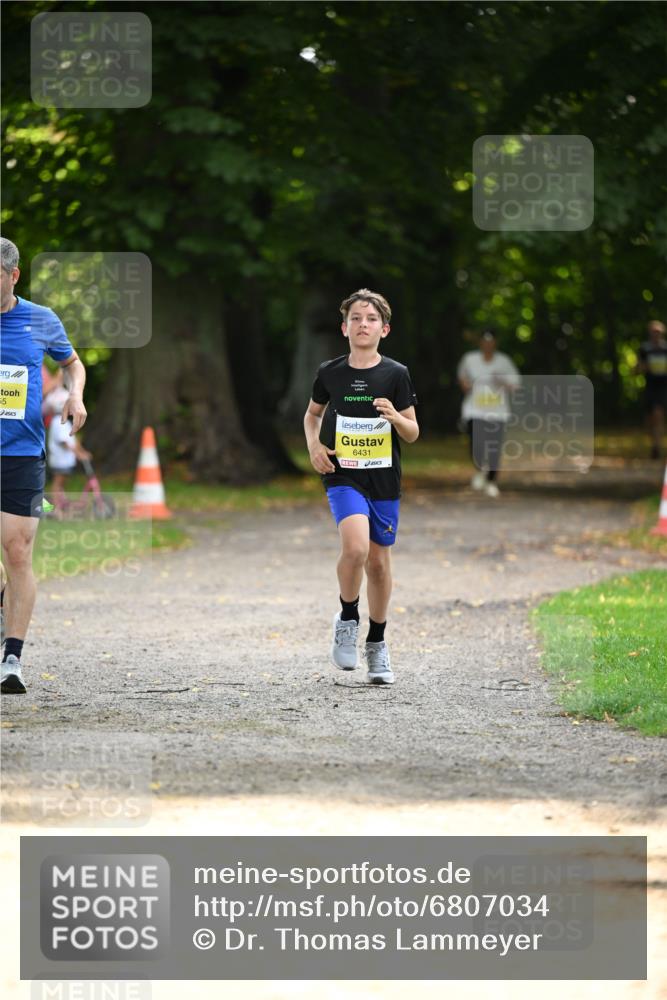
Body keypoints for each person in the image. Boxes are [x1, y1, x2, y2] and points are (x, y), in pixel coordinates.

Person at [303, 288, 419, 685]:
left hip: (383, 479)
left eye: (371, 319)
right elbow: (311, 416)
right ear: (344, 327)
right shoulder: (330, 372)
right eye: (356, 318)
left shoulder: (396, 374)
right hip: (343, 474)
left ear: (384, 329)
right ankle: (348, 617)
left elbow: (413, 432)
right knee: (354, 548)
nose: (363, 324)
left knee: (379, 563)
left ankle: (378, 642)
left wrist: (394, 417)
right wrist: (315, 447)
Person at [0, 237, 87, 694]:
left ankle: (12, 658)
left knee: (17, 552)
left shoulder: (39, 319)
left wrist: (75, 393)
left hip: (20, 454)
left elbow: (73, 364)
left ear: (13, 276)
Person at [457, 329, 520, 498]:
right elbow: (462, 378)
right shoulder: (470, 359)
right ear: (480, 343)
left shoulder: (504, 361)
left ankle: (491, 481)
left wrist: (502, 381)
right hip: (474, 409)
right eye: (485, 341)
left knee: (494, 447)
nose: (487, 345)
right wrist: (466, 385)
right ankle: (480, 470)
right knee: (476, 444)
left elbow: (516, 385)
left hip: (498, 411)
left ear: (495, 343)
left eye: (491, 342)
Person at [45, 372, 92, 511]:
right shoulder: (58, 422)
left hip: (65, 460)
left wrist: (81, 451)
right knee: (57, 484)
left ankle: (59, 505)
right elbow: (66, 442)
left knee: (61, 484)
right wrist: (78, 453)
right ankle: (54, 509)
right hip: (60, 460)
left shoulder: (65, 423)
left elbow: (73, 440)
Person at [636, 320, 667, 460]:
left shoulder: (665, 349)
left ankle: (657, 446)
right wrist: (644, 367)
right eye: (653, 332)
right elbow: (637, 369)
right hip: (650, 386)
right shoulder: (645, 349)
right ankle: (654, 442)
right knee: (649, 420)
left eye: (658, 332)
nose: (656, 335)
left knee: (658, 415)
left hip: (663, 387)